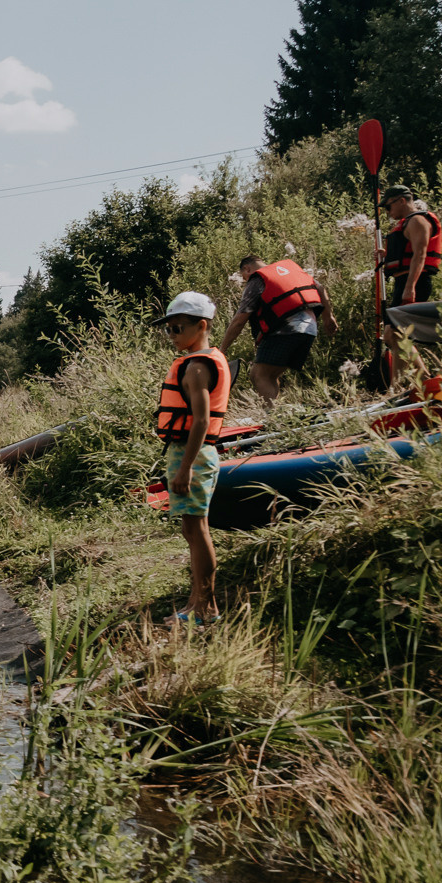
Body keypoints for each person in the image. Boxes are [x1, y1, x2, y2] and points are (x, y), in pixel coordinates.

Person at [153, 291, 230, 624]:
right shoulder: (196, 361)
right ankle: (194, 603)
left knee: (198, 531)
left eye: (177, 328)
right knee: (191, 530)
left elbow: (201, 420)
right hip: (188, 453)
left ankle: (206, 609)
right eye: (168, 328)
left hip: (193, 456)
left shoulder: (198, 367)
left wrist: (185, 468)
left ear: (201, 326)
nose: (172, 335)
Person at [221, 255, 336, 408]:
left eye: (244, 277)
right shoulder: (291, 271)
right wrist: (328, 317)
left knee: (258, 374)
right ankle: (277, 412)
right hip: (309, 329)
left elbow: (239, 321)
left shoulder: (257, 280)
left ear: (247, 269)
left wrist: (222, 350)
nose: (245, 281)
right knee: (270, 374)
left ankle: (271, 416)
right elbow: (320, 288)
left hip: (287, 330)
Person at [379, 186, 442, 309]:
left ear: (402, 201)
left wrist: (410, 288)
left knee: (396, 321)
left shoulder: (417, 221)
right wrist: (387, 254)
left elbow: (420, 255)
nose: (388, 212)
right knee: (395, 320)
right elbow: (406, 252)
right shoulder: (408, 222)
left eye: (388, 207)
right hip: (403, 281)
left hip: (415, 282)